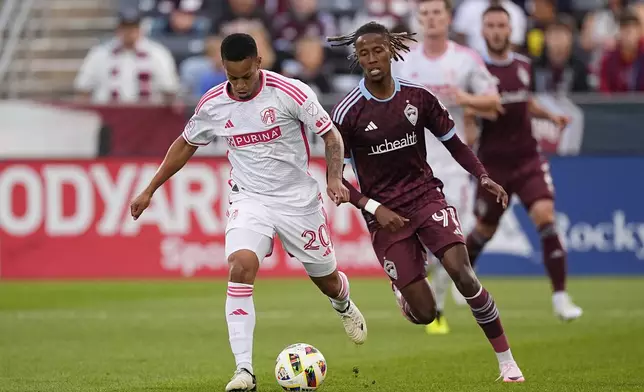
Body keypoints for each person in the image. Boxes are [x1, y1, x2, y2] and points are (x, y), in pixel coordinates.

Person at [129, 33, 367, 392]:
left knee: (327, 279)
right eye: (232, 77)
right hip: (249, 198)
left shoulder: (292, 92)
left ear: (258, 62)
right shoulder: (213, 104)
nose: (239, 85)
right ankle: (244, 372)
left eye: (245, 76)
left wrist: (335, 177)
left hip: (297, 201)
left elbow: (331, 135)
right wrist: (150, 188)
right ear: (223, 69)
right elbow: (185, 144)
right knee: (240, 266)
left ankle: (343, 303)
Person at [327, 21, 524, 382]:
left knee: (463, 274)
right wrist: (373, 208)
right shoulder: (347, 113)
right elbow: (335, 181)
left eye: (378, 50)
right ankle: (405, 293)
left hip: (425, 197)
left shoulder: (418, 98)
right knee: (426, 313)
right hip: (384, 215)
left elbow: (454, 142)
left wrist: (482, 175)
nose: (372, 58)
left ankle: (507, 362)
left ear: (392, 50)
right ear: (357, 57)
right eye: (364, 53)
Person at [456, 5, 583, 321]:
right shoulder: (476, 72)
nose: (497, 31)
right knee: (485, 229)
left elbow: (525, 102)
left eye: (502, 25)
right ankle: (463, 281)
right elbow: (468, 119)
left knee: (545, 215)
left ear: (511, 30)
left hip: (527, 158)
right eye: (491, 26)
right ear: (483, 31)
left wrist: (551, 116)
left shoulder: (524, 65)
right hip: (493, 166)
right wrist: (471, 120)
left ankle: (561, 298)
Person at [395, 0, 502, 335]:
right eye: (424, 14)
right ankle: (420, 293)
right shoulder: (404, 62)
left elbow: (494, 101)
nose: (431, 19)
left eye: (436, 13)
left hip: (453, 163)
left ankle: (437, 304)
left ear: (449, 18)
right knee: (416, 239)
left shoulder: (465, 59)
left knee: (452, 239)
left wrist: (465, 101)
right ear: (418, 20)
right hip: (412, 164)